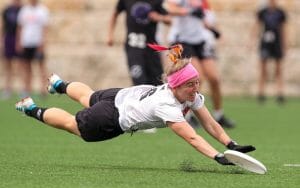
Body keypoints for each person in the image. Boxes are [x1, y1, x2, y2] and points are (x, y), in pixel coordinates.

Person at [15, 44, 255, 166]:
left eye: (197, 82)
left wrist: (230, 143)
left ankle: (59, 84)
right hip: (113, 116)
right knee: (73, 125)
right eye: (191, 84)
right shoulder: (167, 105)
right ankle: (32, 108)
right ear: (176, 86)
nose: (196, 88)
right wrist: (217, 157)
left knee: (89, 96)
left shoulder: (191, 96)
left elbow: (209, 122)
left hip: (121, 96)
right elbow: (192, 137)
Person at [164, 0, 235, 128]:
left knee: (214, 78)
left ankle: (219, 115)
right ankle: (188, 115)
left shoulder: (202, 2)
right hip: (183, 41)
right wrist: (189, 11)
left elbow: (200, 18)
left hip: (200, 41)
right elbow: (169, 8)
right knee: (197, 78)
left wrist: (213, 29)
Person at [107, 0, 170, 86]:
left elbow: (169, 19)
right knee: (139, 81)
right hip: (133, 48)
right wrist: (110, 35)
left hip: (151, 48)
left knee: (158, 82)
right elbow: (115, 14)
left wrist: (158, 17)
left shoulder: (156, 1)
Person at [251, 0, 287, 104]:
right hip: (265, 42)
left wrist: (284, 44)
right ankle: (261, 93)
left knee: (278, 69)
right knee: (263, 69)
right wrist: (252, 40)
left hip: (277, 43)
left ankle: (280, 94)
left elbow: (283, 29)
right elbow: (257, 26)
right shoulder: (263, 12)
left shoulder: (281, 13)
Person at [16, 0, 49, 97]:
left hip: (37, 42)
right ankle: (27, 89)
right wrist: (19, 42)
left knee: (41, 67)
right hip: (26, 42)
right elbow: (20, 27)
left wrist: (43, 43)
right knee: (26, 67)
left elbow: (45, 28)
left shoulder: (43, 10)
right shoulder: (24, 10)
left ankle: (43, 89)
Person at [0, 0, 22, 99]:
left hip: (19, 39)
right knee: (8, 66)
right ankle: (8, 89)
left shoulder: (23, 10)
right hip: (8, 39)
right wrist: (1, 40)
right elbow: (3, 27)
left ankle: (22, 89)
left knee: (20, 65)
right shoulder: (7, 10)